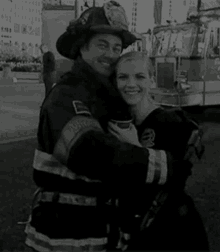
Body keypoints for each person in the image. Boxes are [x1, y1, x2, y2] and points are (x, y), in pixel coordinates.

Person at [24, 2, 192, 251]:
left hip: (101, 236)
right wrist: (168, 167)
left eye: (116, 47)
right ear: (82, 47)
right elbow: (91, 151)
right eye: (102, 45)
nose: (111, 55)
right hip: (61, 238)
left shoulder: (105, 96)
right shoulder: (64, 96)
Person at [108, 51, 209, 251]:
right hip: (134, 228)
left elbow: (177, 177)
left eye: (139, 77)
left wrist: (134, 148)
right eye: (123, 77)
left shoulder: (171, 122)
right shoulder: (116, 124)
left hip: (171, 231)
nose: (130, 84)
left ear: (152, 81)